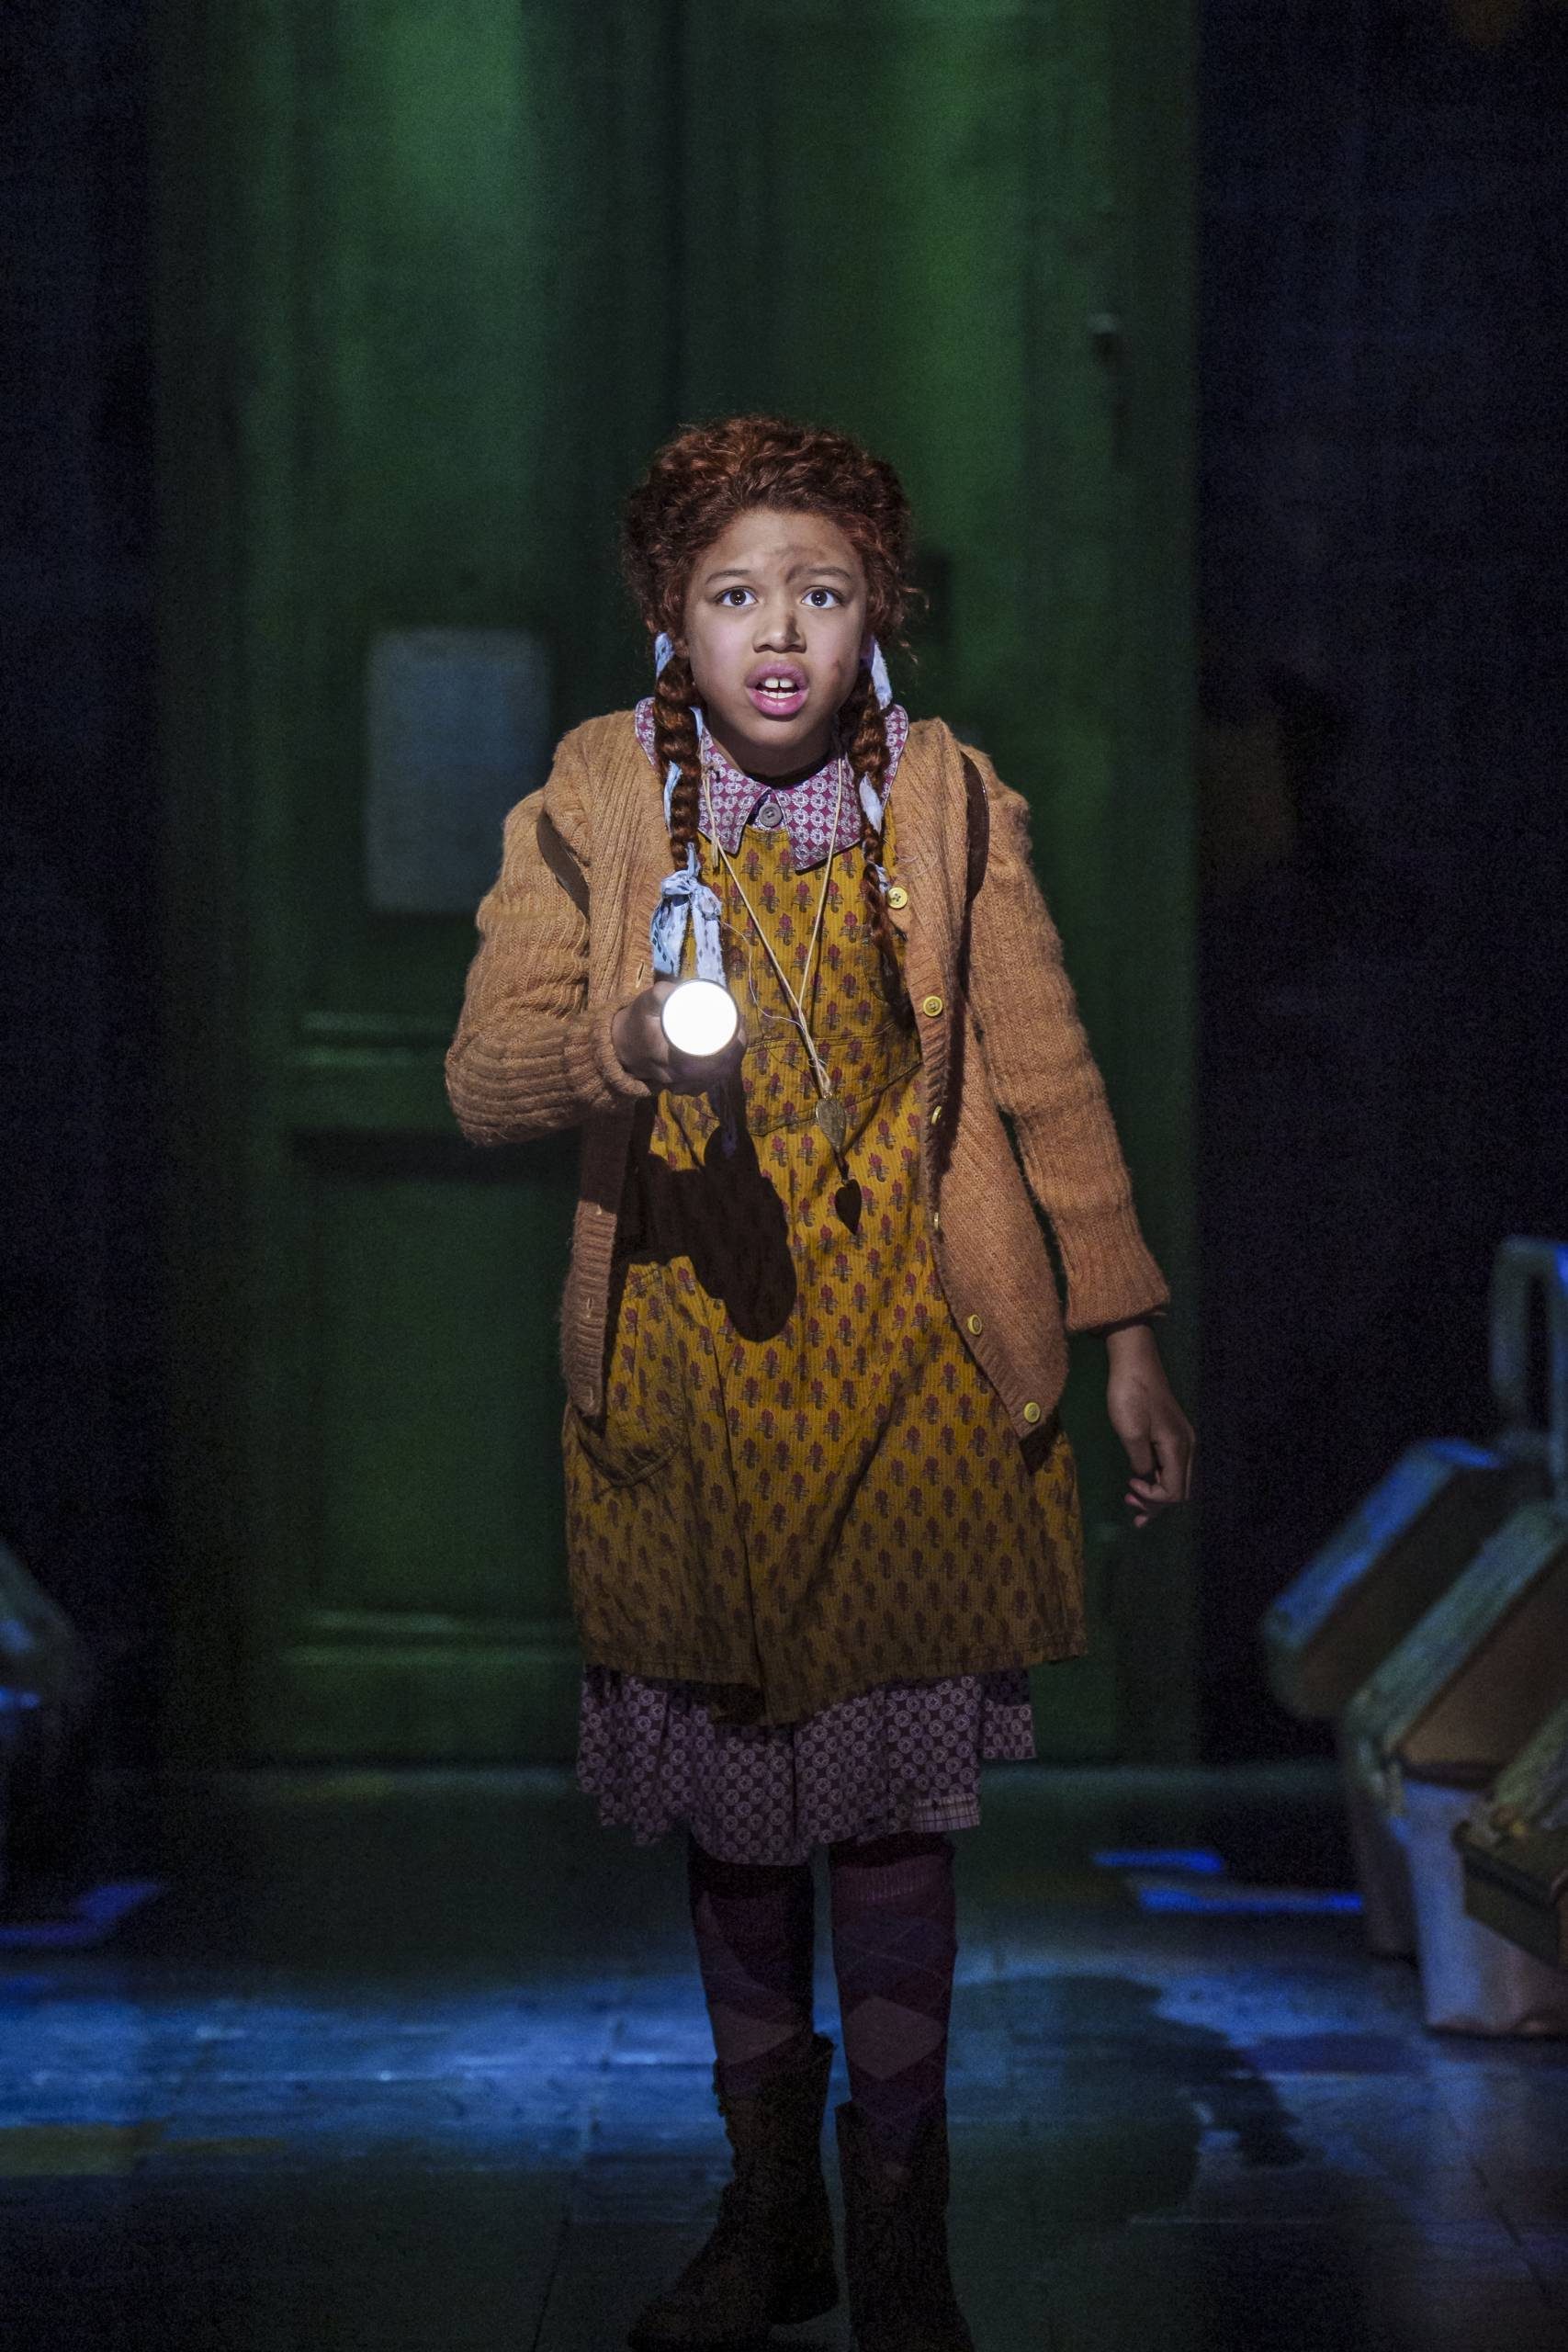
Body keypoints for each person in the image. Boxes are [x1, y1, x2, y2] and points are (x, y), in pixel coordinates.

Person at [446, 414, 1194, 2352]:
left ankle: (905, 2241)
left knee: (887, 1823)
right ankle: (770, 2216)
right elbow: (482, 1079)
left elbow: (1045, 1071)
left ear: (880, 613)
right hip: (689, 1371)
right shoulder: (594, 795)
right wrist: (621, 1044)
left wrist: (1120, 1328)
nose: (778, 635)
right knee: (737, 1819)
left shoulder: (943, 797)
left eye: (822, 593)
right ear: (668, 614)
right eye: (734, 595)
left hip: (915, 1362)